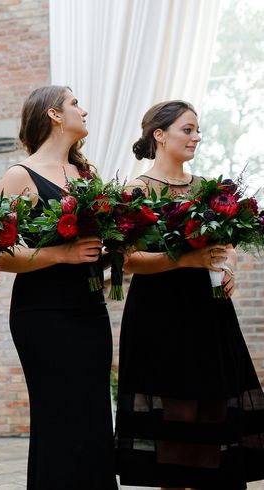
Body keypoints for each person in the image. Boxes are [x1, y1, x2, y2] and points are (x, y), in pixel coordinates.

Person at [115, 100, 264, 489]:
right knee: (174, 425)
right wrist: (185, 261)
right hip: (159, 318)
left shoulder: (207, 188)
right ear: (159, 135)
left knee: (214, 414)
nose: (197, 137)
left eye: (198, 130)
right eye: (188, 129)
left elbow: (228, 245)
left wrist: (228, 266)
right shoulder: (136, 190)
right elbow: (128, 260)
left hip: (209, 315)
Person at [0, 86, 117, 489]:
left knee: (95, 413)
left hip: (90, 308)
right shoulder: (19, 175)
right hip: (43, 314)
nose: (84, 109)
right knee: (58, 416)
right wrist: (63, 255)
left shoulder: (89, 176)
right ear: (54, 115)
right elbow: (1, 254)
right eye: (75, 103)